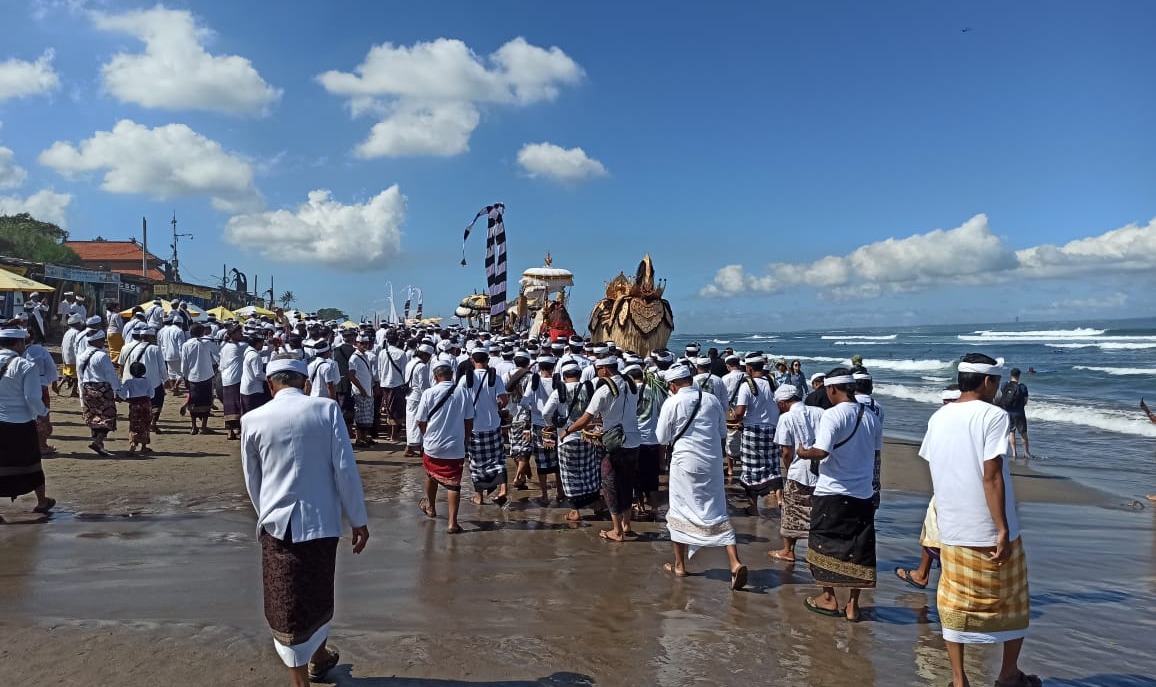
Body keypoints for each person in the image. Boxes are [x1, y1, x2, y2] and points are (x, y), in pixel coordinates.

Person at [240, 355, 370, 687]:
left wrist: (265, 514)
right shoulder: (326, 410)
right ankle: (308, 669)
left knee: (285, 600)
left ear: (270, 385)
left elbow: (253, 479)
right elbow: (345, 469)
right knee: (318, 592)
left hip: (277, 524)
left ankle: (314, 662)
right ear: (306, 383)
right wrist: (358, 519)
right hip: (321, 521)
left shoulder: (253, 419)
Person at [921, 355, 1038, 687]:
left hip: (953, 525)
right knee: (1012, 601)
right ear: (987, 381)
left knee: (954, 603)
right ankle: (1008, 674)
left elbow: (936, 464)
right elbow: (992, 476)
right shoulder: (993, 415)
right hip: (988, 527)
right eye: (996, 382)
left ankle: (959, 680)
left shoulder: (938, 417)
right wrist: (1001, 528)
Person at [796, 367, 882, 623]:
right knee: (859, 548)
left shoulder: (832, 415)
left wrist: (803, 453)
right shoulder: (871, 417)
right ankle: (853, 605)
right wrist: (875, 487)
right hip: (862, 492)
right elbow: (876, 456)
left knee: (823, 543)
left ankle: (828, 597)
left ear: (832, 389)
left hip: (832, 490)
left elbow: (821, 451)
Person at [657, 364, 748, 589]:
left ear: (673, 385)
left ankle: (679, 565)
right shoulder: (711, 400)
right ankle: (735, 563)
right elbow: (722, 432)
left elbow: (661, 437)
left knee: (679, 510)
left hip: (685, 463)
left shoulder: (672, 402)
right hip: (712, 463)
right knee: (717, 510)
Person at [560, 356, 641, 543]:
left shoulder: (604, 391)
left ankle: (617, 531)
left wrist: (567, 431)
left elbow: (585, 419)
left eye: (598, 369)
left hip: (615, 443)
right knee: (627, 483)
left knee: (610, 485)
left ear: (605, 369)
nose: (597, 373)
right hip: (634, 441)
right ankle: (626, 525)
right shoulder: (631, 386)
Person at [895, 384, 959, 591]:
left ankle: (923, 574)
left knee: (934, 530)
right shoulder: (977, 417)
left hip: (947, 487)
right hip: (969, 489)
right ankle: (926, 574)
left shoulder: (939, 419)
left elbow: (931, 456)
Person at [0, 325, 55, 516]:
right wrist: (43, 413)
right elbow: (32, 397)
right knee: (31, 463)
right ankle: (42, 502)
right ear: (19, 343)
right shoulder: (25, 366)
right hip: (21, 423)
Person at [416, 360, 475, 534]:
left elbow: (420, 420)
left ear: (435, 377)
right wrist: (466, 439)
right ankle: (452, 523)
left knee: (430, 474)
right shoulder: (463, 392)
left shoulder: (429, 393)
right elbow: (469, 420)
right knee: (454, 484)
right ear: (452, 376)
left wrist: (426, 436)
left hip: (432, 444)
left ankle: (431, 507)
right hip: (455, 445)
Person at [768, 384, 823, 563]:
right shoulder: (820, 412)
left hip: (799, 471)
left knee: (791, 511)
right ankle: (817, 550)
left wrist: (789, 467)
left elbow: (786, 451)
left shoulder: (786, 418)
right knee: (818, 511)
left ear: (783, 403)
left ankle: (788, 550)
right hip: (822, 470)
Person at [543, 361, 600, 522]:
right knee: (589, 471)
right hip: (587, 436)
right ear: (580, 375)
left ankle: (575, 510)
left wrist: (553, 425)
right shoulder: (589, 389)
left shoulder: (558, 392)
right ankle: (595, 503)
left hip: (566, 438)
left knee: (569, 474)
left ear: (563, 376)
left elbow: (546, 413)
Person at [731, 354, 782, 516]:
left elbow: (740, 412)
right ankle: (779, 499)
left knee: (751, 469)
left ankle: (753, 507)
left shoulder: (746, 386)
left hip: (752, 431)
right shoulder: (773, 383)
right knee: (773, 466)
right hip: (772, 429)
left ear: (749, 368)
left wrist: (735, 415)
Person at [460, 348, 509, 506]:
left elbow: (459, 402)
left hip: (473, 426)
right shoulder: (495, 378)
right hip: (493, 424)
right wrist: (495, 407)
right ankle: (503, 489)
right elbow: (504, 400)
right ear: (487, 360)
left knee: (476, 463)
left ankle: (479, 497)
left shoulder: (465, 379)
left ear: (472, 361)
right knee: (498, 459)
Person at [521, 355, 563, 505]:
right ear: (553, 367)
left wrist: (535, 410)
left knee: (541, 462)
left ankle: (545, 495)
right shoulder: (558, 381)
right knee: (558, 459)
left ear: (540, 367)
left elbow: (524, 402)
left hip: (539, 426)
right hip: (556, 425)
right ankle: (560, 492)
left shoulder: (534, 381)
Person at [77, 329, 123, 456]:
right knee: (108, 416)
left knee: (93, 415)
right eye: (102, 340)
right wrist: (118, 391)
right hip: (102, 389)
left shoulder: (81, 356)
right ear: (97, 341)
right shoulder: (102, 356)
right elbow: (111, 375)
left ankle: (98, 444)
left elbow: (80, 376)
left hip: (87, 388)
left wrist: (81, 394)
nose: (104, 343)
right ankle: (98, 442)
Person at [629, 363, 666, 516]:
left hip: (634, 440)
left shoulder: (629, 392)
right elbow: (662, 409)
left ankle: (640, 505)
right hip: (652, 438)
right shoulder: (654, 391)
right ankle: (654, 506)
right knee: (652, 475)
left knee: (636, 475)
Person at [23, 324, 58, 456]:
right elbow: (51, 368)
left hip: (21, 388)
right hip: (40, 386)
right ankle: (41, 446)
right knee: (42, 415)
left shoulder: (12, 352)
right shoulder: (39, 350)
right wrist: (52, 382)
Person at [180, 323, 219, 434]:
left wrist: (185, 377)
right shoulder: (207, 343)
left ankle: (194, 426)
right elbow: (217, 353)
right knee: (206, 401)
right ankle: (203, 426)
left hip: (193, 376)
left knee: (194, 401)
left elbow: (184, 363)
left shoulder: (186, 345)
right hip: (206, 376)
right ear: (202, 333)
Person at [377, 331, 409, 441]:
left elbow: (380, 369)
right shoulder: (401, 353)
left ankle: (390, 433)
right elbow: (405, 371)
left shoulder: (382, 353)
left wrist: (381, 381)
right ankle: (394, 434)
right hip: (397, 384)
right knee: (396, 410)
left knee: (388, 409)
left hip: (385, 384)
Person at [218, 326, 249, 440]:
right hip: (236, 378)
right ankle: (238, 429)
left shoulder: (225, 346)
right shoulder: (241, 347)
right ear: (233, 335)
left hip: (225, 378)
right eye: (239, 333)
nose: (241, 334)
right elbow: (255, 347)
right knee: (238, 405)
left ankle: (230, 431)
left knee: (229, 406)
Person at [403, 343, 434, 457]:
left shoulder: (410, 363)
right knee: (419, 422)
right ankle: (417, 447)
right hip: (418, 397)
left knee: (411, 422)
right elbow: (423, 385)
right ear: (425, 355)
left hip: (410, 396)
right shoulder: (421, 366)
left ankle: (410, 447)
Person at [997, 367, 1032, 459]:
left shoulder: (1004, 385)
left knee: (1011, 432)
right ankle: (1026, 452)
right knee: (1023, 433)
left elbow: (1001, 397)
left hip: (1008, 412)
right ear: (1019, 375)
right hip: (1019, 412)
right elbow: (1025, 401)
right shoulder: (1022, 386)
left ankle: (1014, 453)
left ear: (1011, 375)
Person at [348, 336, 377, 448]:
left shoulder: (366, 356)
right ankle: (358, 439)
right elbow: (351, 375)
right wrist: (361, 389)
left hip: (368, 390)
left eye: (366, 343)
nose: (365, 345)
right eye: (362, 343)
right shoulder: (354, 358)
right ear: (357, 344)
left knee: (367, 417)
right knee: (360, 417)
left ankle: (364, 438)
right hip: (360, 392)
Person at [122, 362, 154, 455]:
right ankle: (144, 446)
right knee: (146, 424)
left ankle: (133, 443)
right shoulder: (148, 381)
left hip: (134, 405)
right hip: (145, 404)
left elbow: (123, 394)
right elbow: (152, 394)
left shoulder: (128, 382)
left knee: (134, 424)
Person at [241, 334, 271, 415]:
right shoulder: (255, 356)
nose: (262, 345)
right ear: (257, 343)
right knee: (253, 414)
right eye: (261, 343)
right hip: (254, 390)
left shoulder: (248, 352)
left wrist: (270, 344)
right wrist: (269, 379)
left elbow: (267, 352)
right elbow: (258, 374)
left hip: (246, 387)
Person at [56, 313, 85, 397]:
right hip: (73, 357)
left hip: (66, 357)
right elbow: (78, 346)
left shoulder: (68, 332)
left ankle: (59, 386)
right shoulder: (77, 333)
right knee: (77, 375)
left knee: (68, 373)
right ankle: (74, 391)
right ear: (77, 324)